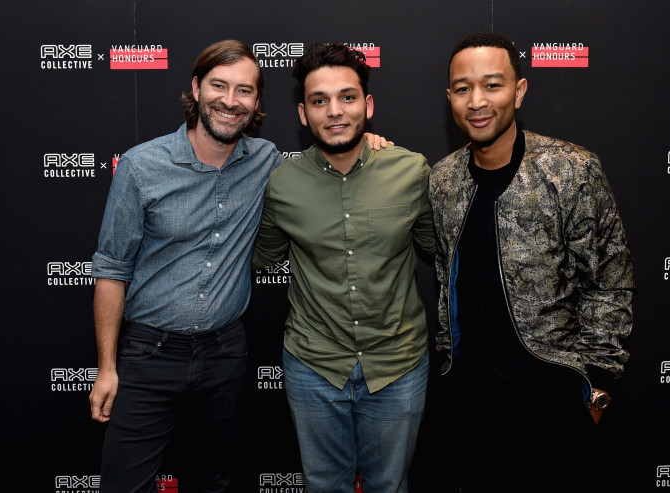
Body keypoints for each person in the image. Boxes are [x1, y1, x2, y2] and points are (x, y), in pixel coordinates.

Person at [88, 39, 388, 493]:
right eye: (219, 86)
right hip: (149, 355)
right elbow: (112, 269)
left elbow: (328, 161)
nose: (230, 101)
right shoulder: (140, 167)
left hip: (225, 355)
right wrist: (107, 366)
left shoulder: (267, 162)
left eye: (244, 90)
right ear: (196, 88)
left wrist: (368, 141)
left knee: (214, 482)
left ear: (257, 101)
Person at [427, 32, 636, 491]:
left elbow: (610, 281)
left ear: (519, 91)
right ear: (450, 98)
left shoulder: (570, 169)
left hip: (554, 403)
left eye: (493, 85)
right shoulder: (442, 180)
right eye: (463, 89)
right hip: (469, 405)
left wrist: (597, 388)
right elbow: (446, 277)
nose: (477, 101)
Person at [252, 43, 436, 493]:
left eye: (347, 97)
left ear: (368, 105)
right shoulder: (282, 184)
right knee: (323, 486)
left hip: (397, 364)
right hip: (314, 365)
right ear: (303, 113)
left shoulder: (411, 172)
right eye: (320, 101)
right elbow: (260, 257)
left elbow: (442, 248)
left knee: (390, 486)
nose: (335, 111)